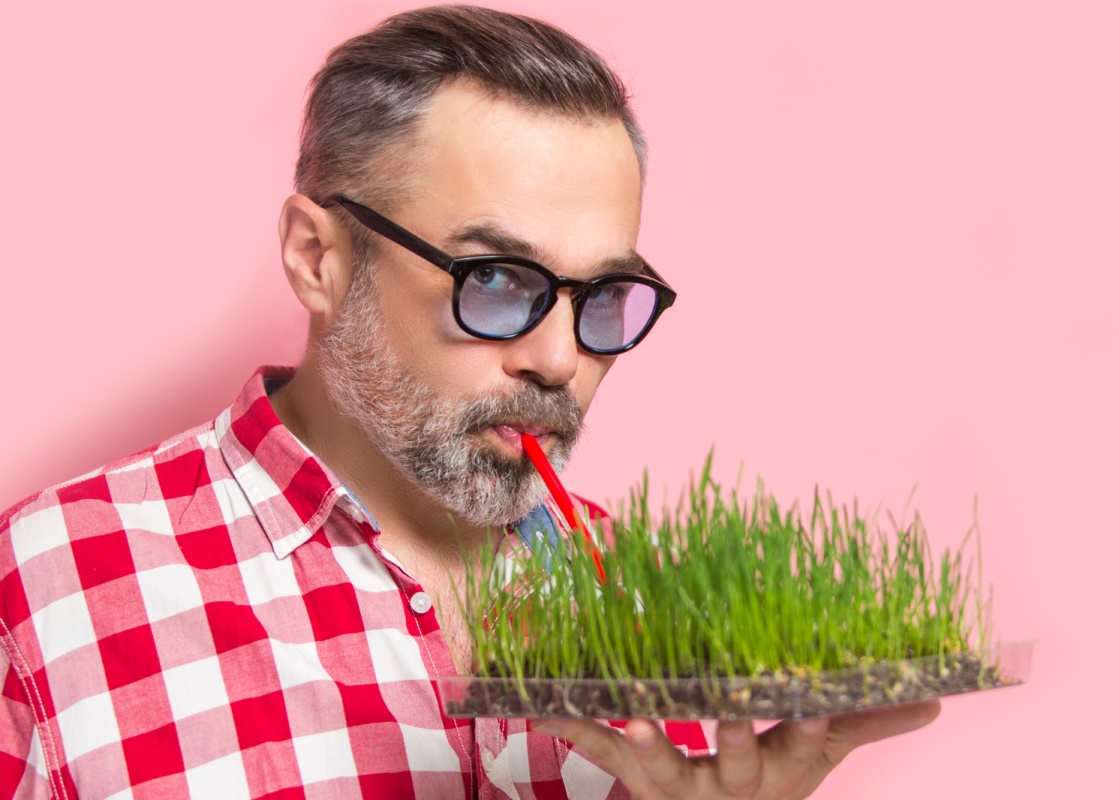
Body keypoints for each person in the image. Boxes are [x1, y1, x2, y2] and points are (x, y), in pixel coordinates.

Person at [0, 6, 937, 798]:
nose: (560, 360)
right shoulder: (52, 591)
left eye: (602, 296)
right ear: (318, 259)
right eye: (494, 280)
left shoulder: (652, 606)